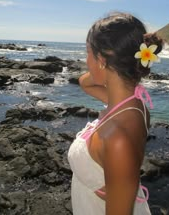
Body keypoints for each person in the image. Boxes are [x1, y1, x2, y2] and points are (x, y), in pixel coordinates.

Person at [68, 12, 163, 215]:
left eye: (88, 52)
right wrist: (109, 64)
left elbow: (86, 81)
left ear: (101, 59)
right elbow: (84, 82)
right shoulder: (133, 105)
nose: (86, 60)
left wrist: (104, 65)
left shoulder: (118, 136)